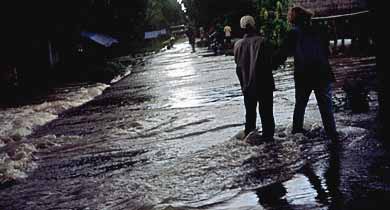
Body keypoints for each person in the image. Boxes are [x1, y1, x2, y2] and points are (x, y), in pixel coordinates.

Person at [275, 6, 339, 141]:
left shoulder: (293, 33)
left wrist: (270, 65)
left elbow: (282, 54)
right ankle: (332, 135)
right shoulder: (319, 30)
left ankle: (297, 134)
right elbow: (328, 51)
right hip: (322, 73)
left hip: (304, 75)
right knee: (326, 108)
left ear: (293, 19)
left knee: (300, 106)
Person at [234, 15, 276, 140]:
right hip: (264, 85)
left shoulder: (237, 45)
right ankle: (269, 143)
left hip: (247, 85)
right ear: (254, 26)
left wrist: (243, 85)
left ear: (242, 28)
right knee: (267, 115)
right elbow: (270, 63)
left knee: (250, 116)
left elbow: (238, 68)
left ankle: (249, 140)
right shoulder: (263, 41)